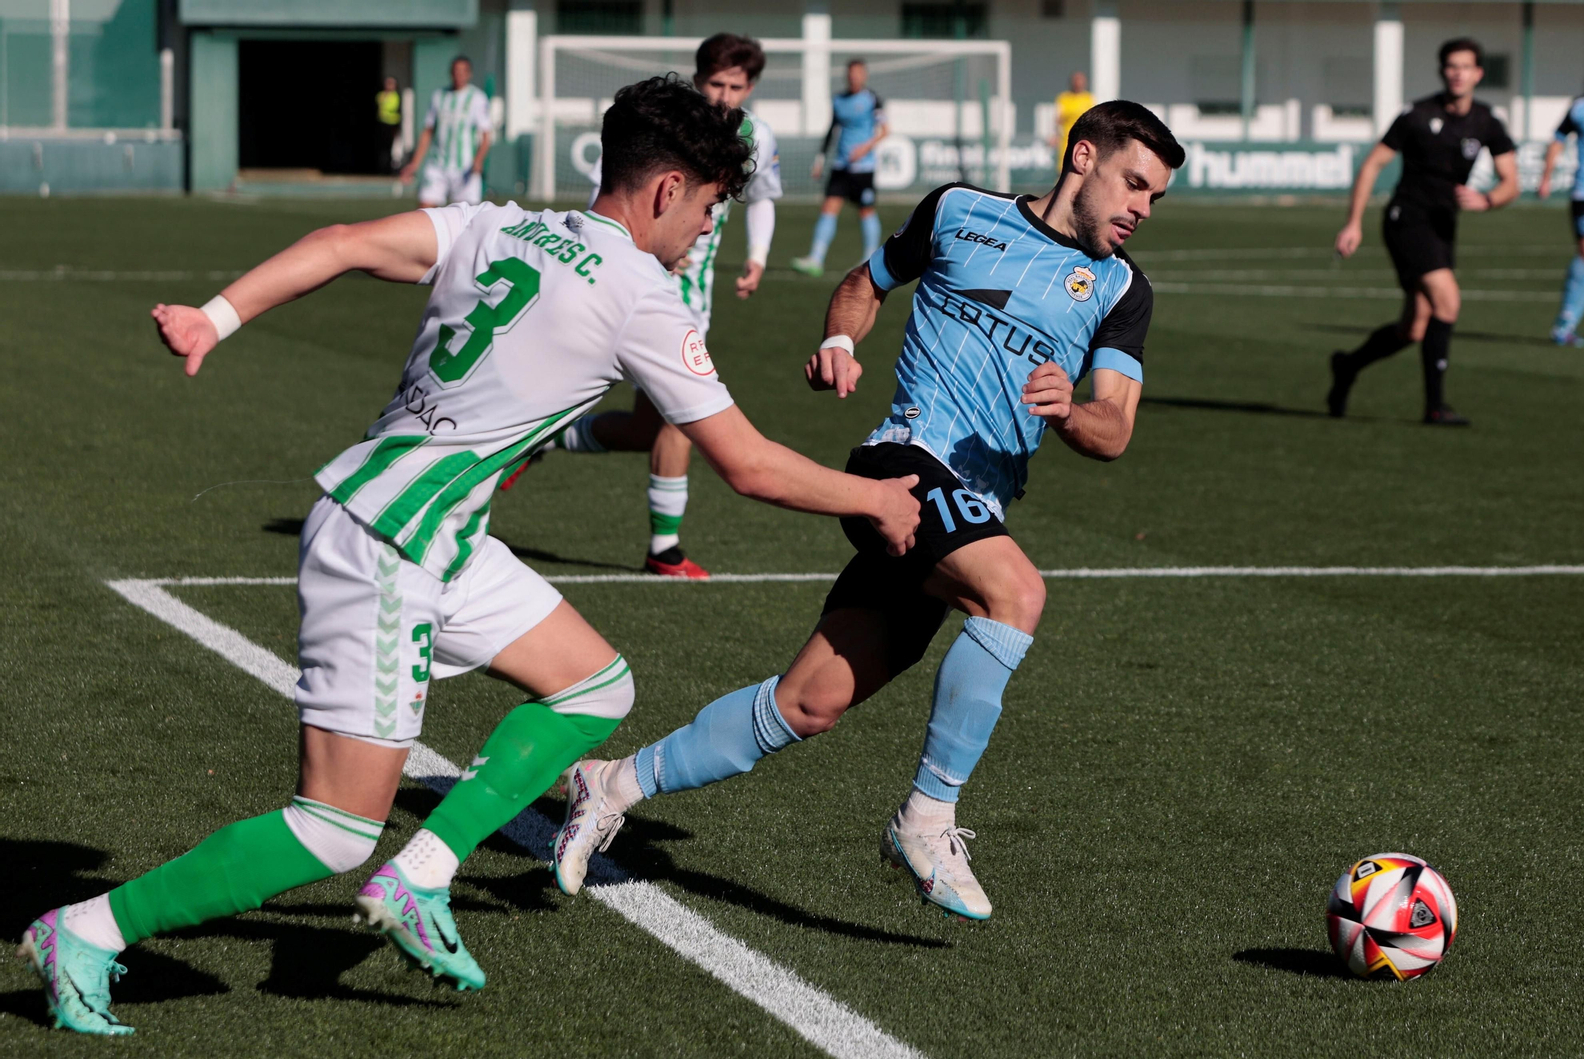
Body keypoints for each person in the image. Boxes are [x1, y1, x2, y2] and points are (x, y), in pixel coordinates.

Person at [15, 75, 919, 1036]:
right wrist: (874, 496)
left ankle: (425, 870)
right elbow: (747, 463)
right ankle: (87, 929)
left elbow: (341, 243)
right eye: (708, 206)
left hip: (433, 534)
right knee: (333, 829)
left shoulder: (497, 223)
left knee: (595, 687)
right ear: (667, 188)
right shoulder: (641, 295)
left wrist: (216, 316)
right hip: (390, 547)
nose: (707, 228)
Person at [553, 101, 1184, 922]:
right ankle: (926, 819)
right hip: (904, 465)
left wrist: (1070, 412)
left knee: (806, 703)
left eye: (1155, 197)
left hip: (971, 508)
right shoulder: (958, 210)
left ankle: (611, 782)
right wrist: (841, 340)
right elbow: (865, 283)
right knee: (1016, 594)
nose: (1142, 208)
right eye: (1134, 183)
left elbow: (1115, 427)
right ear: (1084, 156)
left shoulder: (1122, 289)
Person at [501, 34, 784, 579]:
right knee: (682, 417)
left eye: (735, 86)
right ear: (698, 79)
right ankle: (665, 548)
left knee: (645, 429)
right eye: (715, 83)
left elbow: (764, 197)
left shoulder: (756, 135)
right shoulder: (665, 129)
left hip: (693, 296)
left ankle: (545, 438)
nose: (723, 96)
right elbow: (606, 197)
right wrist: (639, 250)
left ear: (750, 88)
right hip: (633, 284)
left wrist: (757, 257)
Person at [1329, 38, 1518, 426]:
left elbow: (1511, 182)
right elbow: (1372, 165)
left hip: (1443, 226)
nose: (1458, 73)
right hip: (1407, 220)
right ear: (1442, 71)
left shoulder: (1487, 121)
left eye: (1465, 67)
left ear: (1478, 73)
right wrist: (1353, 222)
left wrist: (1488, 200)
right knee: (1448, 301)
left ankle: (1348, 365)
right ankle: (1435, 408)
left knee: (1413, 328)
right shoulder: (1417, 114)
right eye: (1452, 66)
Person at [790, 59, 887, 276]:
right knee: (828, 208)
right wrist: (820, 159)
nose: (854, 77)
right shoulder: (838, 100)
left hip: (864, 168)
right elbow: (831, 130)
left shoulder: (873, 100)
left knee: (866, 210)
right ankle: (816, 259)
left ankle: (869, 260)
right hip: (841, 165)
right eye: (851, 73)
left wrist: (865, 148)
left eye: (858, 73)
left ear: (864, 75)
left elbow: (885, 130)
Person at [1538, 59, 1584, 347]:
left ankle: (1570, 323)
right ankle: (1565, 321)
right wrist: (1546, 177)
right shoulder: (1581, 107)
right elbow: (1557, 140)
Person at [400, 56, 493, 207]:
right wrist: (414, 163)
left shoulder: (477, 98)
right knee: (424, 210)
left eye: (463, 71)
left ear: (469, 74)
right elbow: (428, 131)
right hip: (438, 164)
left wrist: (478, 160)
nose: (459, 75)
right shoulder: (439, 96)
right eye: (456, 71)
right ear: (451, 73)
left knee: (465, 215)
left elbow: (486, 135)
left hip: (465, 168)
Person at [1052, 71, 1095, 171]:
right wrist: (1055, 135)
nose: (1078, 83)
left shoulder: (1088, 98)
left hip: (1084, 138)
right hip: (1066, 139)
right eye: (1076, 80)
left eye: (1081, 81)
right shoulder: (1064, 98)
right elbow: (1058, 118)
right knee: (1065, 167)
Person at [376, 75, 403, 174]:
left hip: (393, 125)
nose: (389, 85)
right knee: (383, 148)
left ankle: (393, 168)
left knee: (394, 147)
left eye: (391, 83)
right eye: (387, 83)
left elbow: (393, 108)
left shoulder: (396, 96)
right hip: (382, 125)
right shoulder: (380, 95)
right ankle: (382, 167)